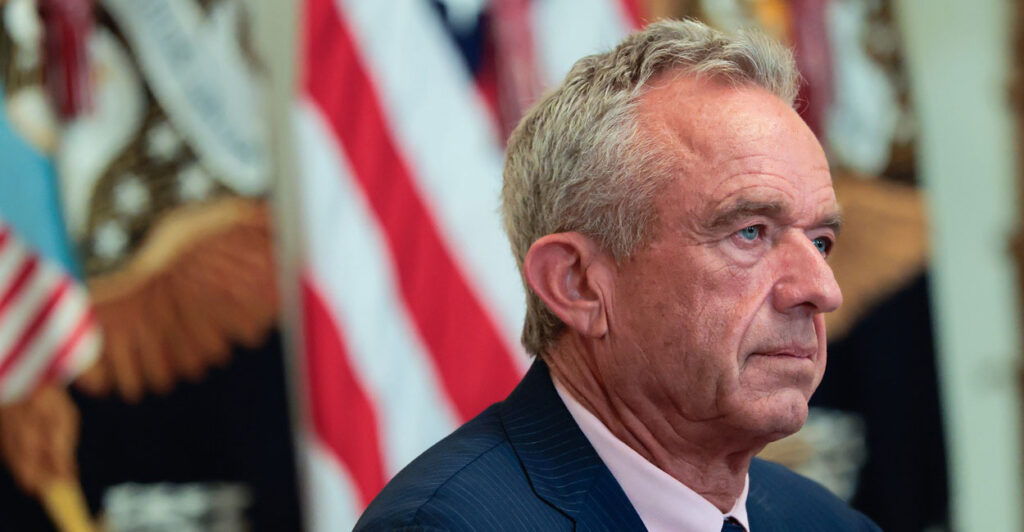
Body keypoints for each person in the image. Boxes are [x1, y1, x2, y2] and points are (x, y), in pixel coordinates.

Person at [355, 19, 881, 532]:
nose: (821, 289)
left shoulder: (829, 522)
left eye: (819, 242)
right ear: (577, 283)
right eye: (749, 232)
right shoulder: (442, 525)